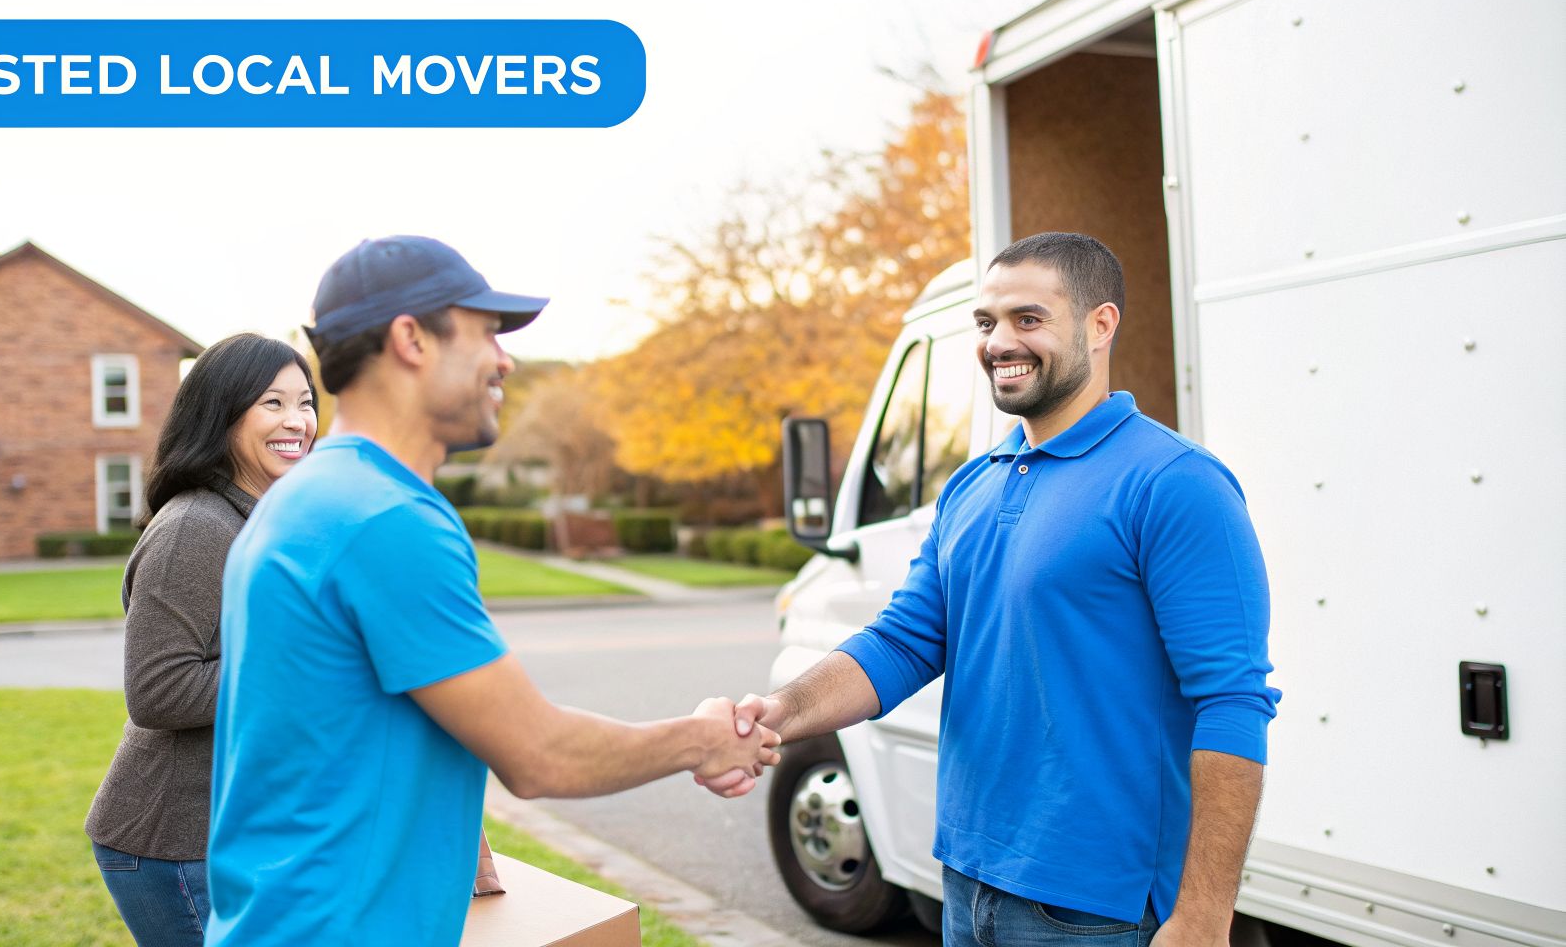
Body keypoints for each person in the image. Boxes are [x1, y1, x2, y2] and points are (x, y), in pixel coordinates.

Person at [705, 232, 1281, 947]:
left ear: (1100, 325)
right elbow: (904, 643)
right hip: (966, 880)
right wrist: (779, 713)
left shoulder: (1176, 483)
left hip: (1099, 909)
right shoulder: (970, 487)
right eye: (986, 322)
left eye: (1027, 319)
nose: (998, 343)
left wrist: (1203, 917)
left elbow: (1231, 703)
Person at [205, 236, 780, 946]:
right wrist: (702, 741)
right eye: (486, 333)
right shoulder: (383, 518)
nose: (505, 360)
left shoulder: (311, 499)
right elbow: (539, 754)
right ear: (411, 339)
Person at [85, 333, 318, 947]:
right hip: (174, 844)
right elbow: (158, 691)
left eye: (305, 402)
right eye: (272, 403)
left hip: (233, 830)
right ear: (223, 415)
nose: (297, 421)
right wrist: (308, 666)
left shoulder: (259, 517)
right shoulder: (196, 526)